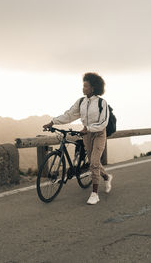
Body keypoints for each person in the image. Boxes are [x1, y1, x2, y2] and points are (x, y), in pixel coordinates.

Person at [43, 72, 113, 205]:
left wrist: (89, 128)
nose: (83, 88)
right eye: (83, 86)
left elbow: (104, 122)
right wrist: (53, 122)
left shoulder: (101, 103)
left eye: (86, 86)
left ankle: (95, 194)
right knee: (95, 162)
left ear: (93, 88)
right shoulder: (81, 101)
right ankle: (106, 176)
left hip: (98, 134)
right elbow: (69, 115)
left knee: (93, 162)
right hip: (86, 134)